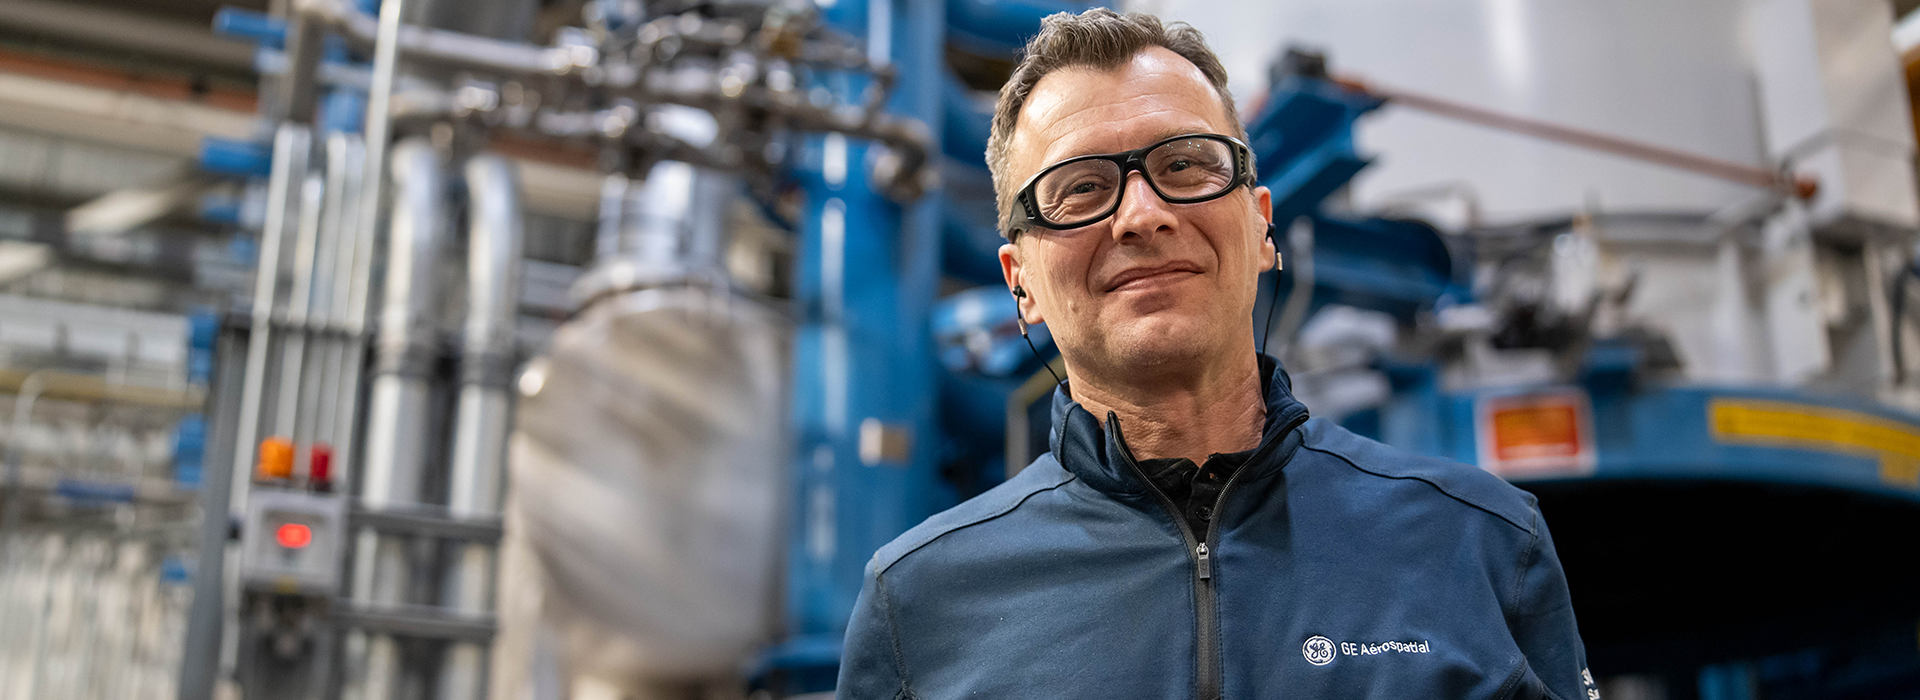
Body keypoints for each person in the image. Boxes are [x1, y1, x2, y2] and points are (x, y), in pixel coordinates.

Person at [837, 9, 1595, 699]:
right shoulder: (919, 605)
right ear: (1020, 281)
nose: (1142, 215)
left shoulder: (1482, 541)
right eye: (1081, 187)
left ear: (1261, 227)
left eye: (1184, 165)